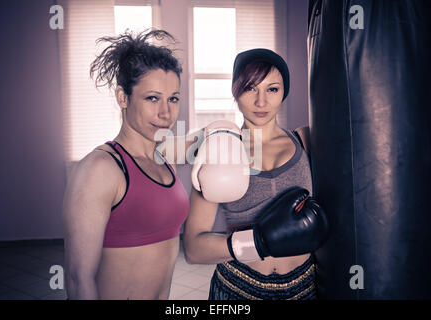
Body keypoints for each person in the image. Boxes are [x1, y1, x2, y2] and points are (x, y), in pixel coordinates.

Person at [183, 48, 328, 300]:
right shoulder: (220, 151)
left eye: (272, 89)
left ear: (284, 92)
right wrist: (259, 242)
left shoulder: (306, 140)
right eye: (250, 88)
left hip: (304, 287)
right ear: (235, 91)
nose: (261, 102)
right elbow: (194, 249)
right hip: (239, 288)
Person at [62, 29, 189, 300]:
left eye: (173, 99)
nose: (166, 113)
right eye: (152, 98)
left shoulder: (165, 163)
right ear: (123, 97)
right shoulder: (101, 169)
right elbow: (77, 278)